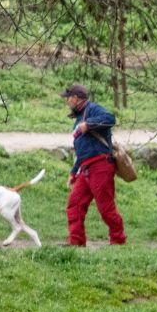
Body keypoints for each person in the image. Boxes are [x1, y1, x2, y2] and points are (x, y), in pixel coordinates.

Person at [62, 84, 126, 246]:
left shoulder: (93, 109)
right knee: (74, 205)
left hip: (101, 166)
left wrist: (88, 124)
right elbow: (82, 151)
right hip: (85, 169)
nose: (67, 101)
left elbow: (110, 118)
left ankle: (118, 240)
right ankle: (76, 243)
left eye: (68, 98)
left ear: (76, 98)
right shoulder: (78, 118)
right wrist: (73, 172)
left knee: (106, 207)